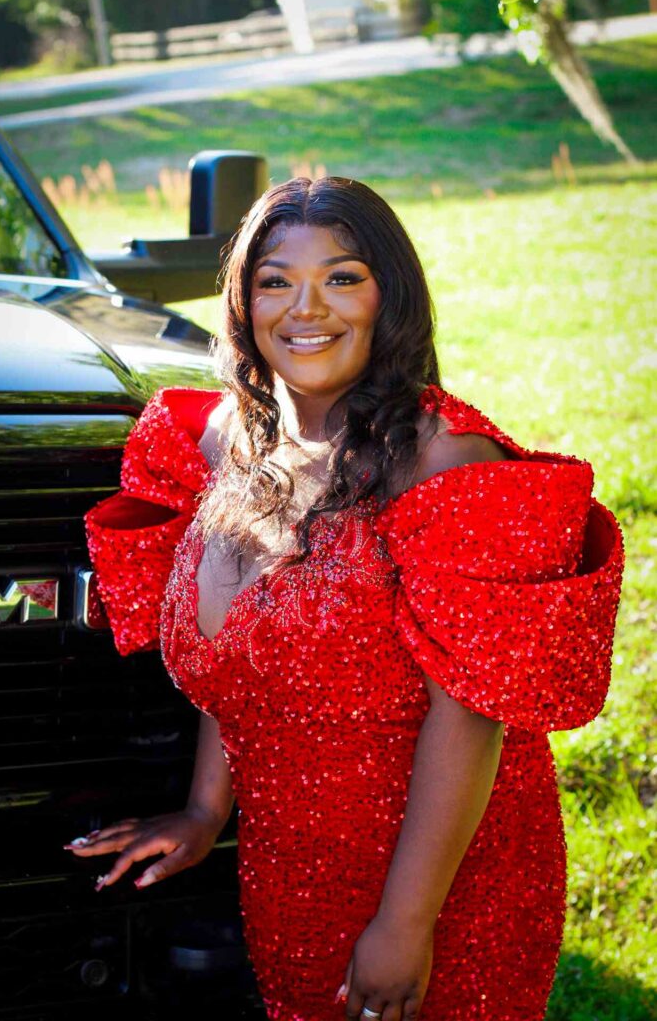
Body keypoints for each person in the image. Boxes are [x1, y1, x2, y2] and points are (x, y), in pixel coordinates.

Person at [67, 176, 624, 1021]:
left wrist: (406, 922)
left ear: (388, 296)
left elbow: (470, 715)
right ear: (242, 301)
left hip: (443, 876)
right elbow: (243, 657)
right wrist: (202, 809)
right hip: (289, 870)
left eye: (342, 276)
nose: (305, 307)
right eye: (274, 279)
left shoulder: (447, 460)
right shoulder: (217, 443)